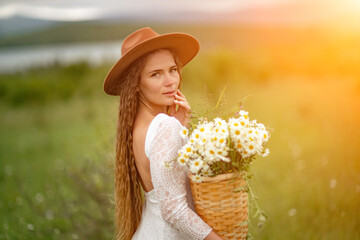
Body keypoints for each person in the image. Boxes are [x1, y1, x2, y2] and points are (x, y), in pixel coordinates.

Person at [103, 27, 222, 240]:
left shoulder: (138, 125)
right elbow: (174, 210)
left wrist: (182, 129)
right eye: (155, 74)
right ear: (136, 84)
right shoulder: (164, 126)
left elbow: (164, 184)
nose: (170, 81)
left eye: (172, 69)